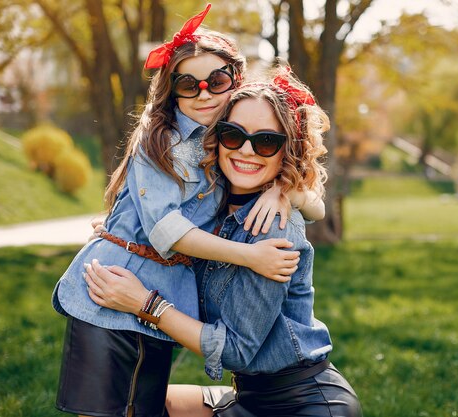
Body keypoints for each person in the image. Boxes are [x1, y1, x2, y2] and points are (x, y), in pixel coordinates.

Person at [52, 5, 324, 417]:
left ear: (236, 79)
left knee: (143, 408)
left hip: (155, 299)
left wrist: (285, 191)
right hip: (113, 290)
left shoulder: (229, 139)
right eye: (188, 84)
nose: (204, 94)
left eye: (216, 81)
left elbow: (315, 203)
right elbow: (166, 230)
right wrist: (251, 255)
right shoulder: (160, 139)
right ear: (172, 88)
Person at [83, 69, 363, 417]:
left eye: (265, 142)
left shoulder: (272, 227)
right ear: (216, 138)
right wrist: (122, 235)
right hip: (249, 396)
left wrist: (145, 304)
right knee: (133, 404)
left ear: (285, 151)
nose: (247, 151)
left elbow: (236, 351)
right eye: (233, 135)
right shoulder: (206, 213)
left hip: (304, 405)